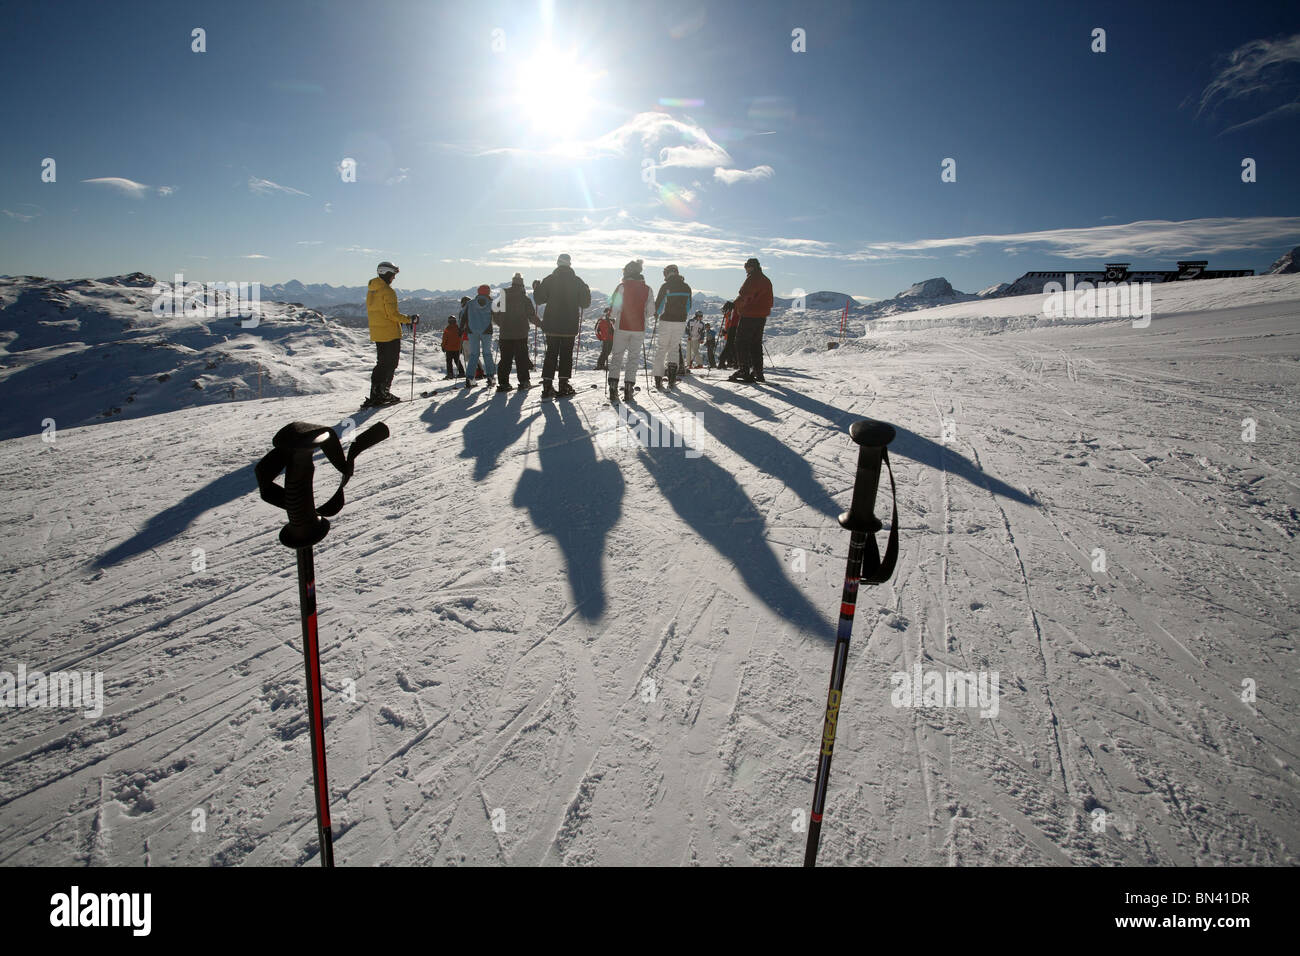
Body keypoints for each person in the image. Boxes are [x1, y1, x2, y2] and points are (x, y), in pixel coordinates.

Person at [532, 253, 591, 399]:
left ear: (558, 263)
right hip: (569, 326)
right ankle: (563, 385)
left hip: (551, 325)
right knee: (566, 355)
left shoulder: (550, 280)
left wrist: (536, 288)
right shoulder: (577, 281)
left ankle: (547, 387)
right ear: (569, 264)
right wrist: (586, 291)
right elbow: (585, 303)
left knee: (551, 354)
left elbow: (539, 299)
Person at [364, 261, 417, 406]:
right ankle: (383, 393)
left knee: (381, 364)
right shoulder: (387, 291)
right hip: (389, 333)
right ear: (387, 274)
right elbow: (392, 315)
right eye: (393, 275)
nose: (394, 278)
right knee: (391, 364)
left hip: (378, 333)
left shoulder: (372, 290)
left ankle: (376, 393)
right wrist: (409, 319)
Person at [606, 259, 655, 404]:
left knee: (617, 356)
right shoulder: (648, 289)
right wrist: (643, 315)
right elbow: (651, 311)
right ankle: (628, 390)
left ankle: (613, 389)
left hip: (622, 326)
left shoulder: (622, 287)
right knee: (633, 358)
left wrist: (611, 317)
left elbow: (614, 309)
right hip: (638, 328)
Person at [729, 258, 773, 383]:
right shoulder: (766, 280)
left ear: (751, 267)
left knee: (741, 342)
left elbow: (745, 295)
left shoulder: (753, 278)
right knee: (755, 344)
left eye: (746, 267)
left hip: (749, 315)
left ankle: (744, 370)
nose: (746, 270)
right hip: (761, 316)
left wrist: (734, 305)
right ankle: (758, 372)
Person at [495, 273, 539, 392]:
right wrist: (542, 325)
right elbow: (531, 316)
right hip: (520, 334)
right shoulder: (524, 299)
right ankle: (524, 382)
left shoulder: (503, 298)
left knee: (505, 359)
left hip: (505, 334)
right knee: (521, 358)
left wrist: (501, 324)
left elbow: (495, 313)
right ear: (522, 285)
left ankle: (503, 383)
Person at [652, 263, 691, 389]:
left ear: (667, 273)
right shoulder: (686, 287)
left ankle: (658, 380)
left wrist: (656, 314)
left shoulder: (666, 286)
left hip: (666, 320)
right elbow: (688, 306)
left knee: (661, 349)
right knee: (674, 348)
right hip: (680, 321)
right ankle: (672, 380)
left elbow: (658, 304)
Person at [463, 284, 497, 388]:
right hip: (486, 331)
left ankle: (470, 378)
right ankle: (491, 377)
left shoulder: (470, 303)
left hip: (472, 331)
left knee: (474, 354)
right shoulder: (491, 303)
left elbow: (463, 317)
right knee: (487, 353)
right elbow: (496, 317)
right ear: (488, 292)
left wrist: (461, 329)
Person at [718, 300, 738, 368]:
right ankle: (732, 362)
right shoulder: (733, 312)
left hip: (731, 329)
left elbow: (729, 323)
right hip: (733, 329)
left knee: (731, 346)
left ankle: (731, 362)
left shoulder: (729, 313)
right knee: (731, 346)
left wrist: (726, 330)